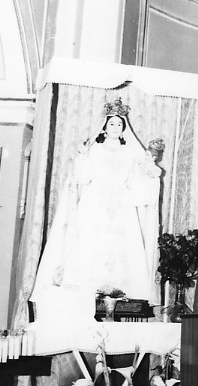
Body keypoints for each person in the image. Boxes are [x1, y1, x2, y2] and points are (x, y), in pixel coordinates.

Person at [31, 98, 162, 313]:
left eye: (119, 124)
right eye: (112, 124)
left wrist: (149, 167)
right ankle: (87, 291)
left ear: (123, 129)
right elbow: (83, 177)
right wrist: (82, 157)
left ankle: (120, 294)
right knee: (89, 243)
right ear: (104, 126)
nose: (115, 127)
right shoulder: (94, 149)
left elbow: (138, 182)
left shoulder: (131, 153)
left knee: (122, 247)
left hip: (121, 204)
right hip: (95, 201)